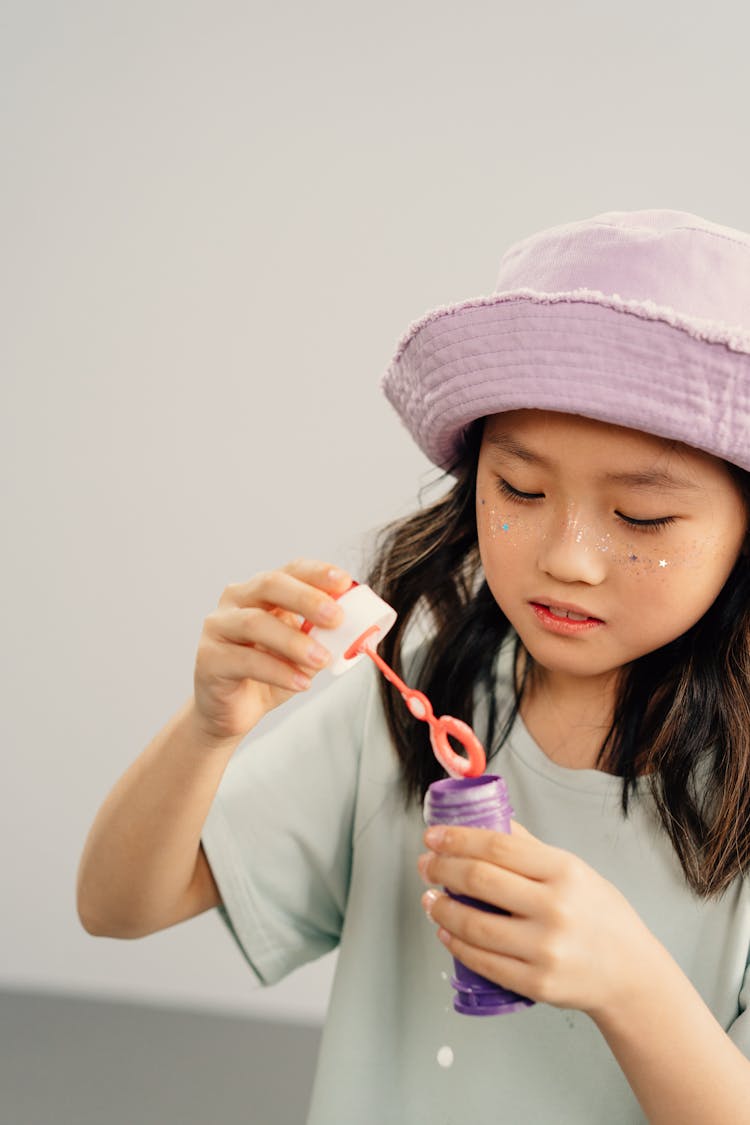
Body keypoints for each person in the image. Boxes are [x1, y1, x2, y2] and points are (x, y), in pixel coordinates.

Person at [77, 210, 750, 1124]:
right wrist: (208, 729)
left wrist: (629, 980)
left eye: (640, 518)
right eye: (520, 489)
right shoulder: (414, 694)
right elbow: (119, 905)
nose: (569, 557)